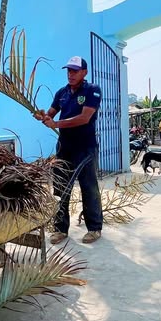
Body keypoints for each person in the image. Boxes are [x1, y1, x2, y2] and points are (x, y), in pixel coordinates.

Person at [33, 56, 103, 244]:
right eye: (69, 71)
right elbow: (50, 114)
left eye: (75, 71)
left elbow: (84, 118)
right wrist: (41, 116)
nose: (70, 74)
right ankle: (60, 229)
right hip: (64, 147)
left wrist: (56, 124)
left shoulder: (92, 90)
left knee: (89, 188)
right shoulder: (62, 93)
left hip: (85, 147)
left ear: (84, 72)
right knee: (60, 188)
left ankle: (94, 228)